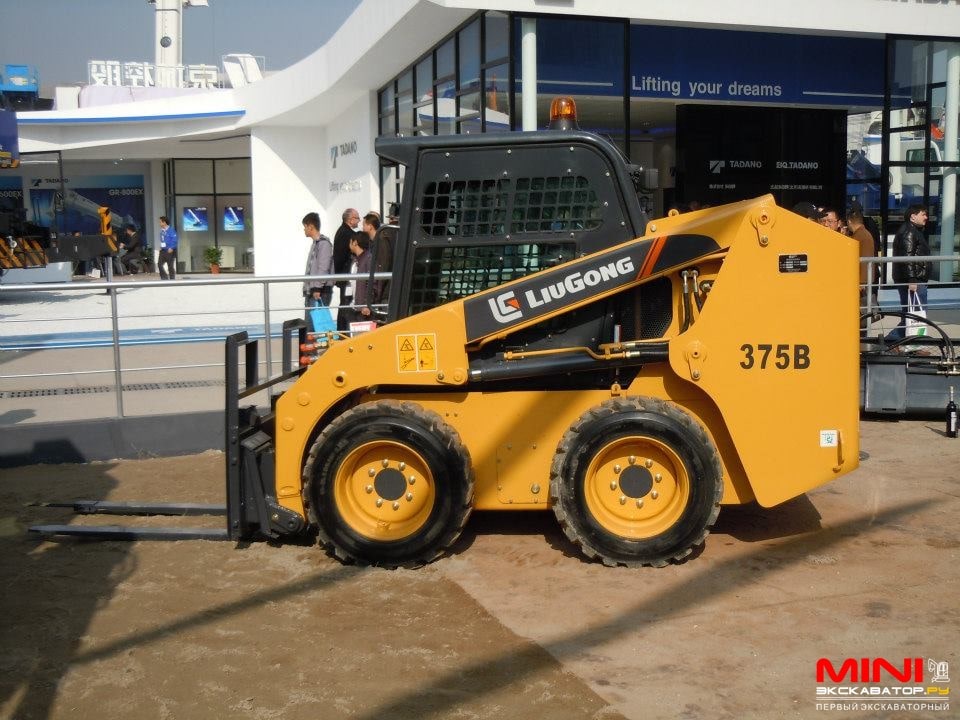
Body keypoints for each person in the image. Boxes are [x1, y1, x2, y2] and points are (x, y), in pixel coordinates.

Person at [887, 204, 930, 342]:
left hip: (914, 279)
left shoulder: (912, 230)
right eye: (923, 214)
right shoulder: (909, 232)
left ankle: (911, 344)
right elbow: (908, 257)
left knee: (913, 314)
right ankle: (893, 340)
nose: (926, 217)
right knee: (915, 315)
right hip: (913, 280)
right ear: (913, 216)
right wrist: (912, 279)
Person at [846, 205, 879, 330]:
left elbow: (866, 259)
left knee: (862, 314)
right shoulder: (863, 234)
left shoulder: (862, 235)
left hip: (862, 283)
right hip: (862, 281)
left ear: (849, 221)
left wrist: (862, 282)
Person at [302, 211, 334, 327]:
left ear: (311, 226)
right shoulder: (316, 243)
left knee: (316, 327)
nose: (304, 230)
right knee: (311, 326)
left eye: (305, 226)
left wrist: (317, 288)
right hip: (313, 290)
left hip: (320, 292)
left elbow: (323, 267)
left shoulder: (323, 244)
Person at [333, 208, 360, 331]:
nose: (359, 221)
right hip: (346, 275)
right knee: (346, 303)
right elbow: (341, 257)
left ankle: (342, 330)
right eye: (357, 218)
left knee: (344, 303)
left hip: (342, 275)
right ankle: (343, 330)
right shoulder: (347, 234)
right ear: (350, 219)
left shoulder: (341, 231)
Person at [344, 230, 373, 328]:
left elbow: (373, 284)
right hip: (354, 306)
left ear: (355, 242)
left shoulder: (368, 259)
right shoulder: (356, 260)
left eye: (350, 242)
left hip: (363, 309)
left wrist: (367, 304)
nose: (349, 245)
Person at [157, 215, 178, 280]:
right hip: (163, 250)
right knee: (159, 264)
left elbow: (174, 239)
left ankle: (172, 279)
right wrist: (161, 247)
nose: (159, 223)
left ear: (164, 222)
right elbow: (163, 240)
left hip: (170, 250)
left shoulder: (171, 230)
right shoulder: (162, 231)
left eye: (160, 222)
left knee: (170, 266)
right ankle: (164, 278)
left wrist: (171, 247)